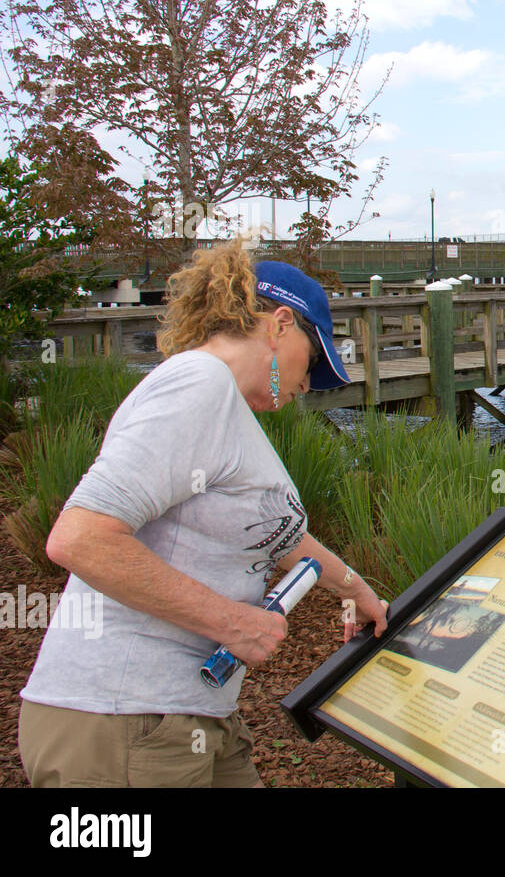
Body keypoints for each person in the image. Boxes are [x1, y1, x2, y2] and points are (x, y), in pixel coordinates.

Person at [18, 239, 389, 787]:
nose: (307, 385)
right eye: (312, 364)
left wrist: (355, 590)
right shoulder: (198, 384)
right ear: (280, 324)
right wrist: (231, 621)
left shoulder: (226, 409)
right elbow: (80, 540)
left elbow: (281, 538)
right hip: (124, 718)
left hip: (192, 717)